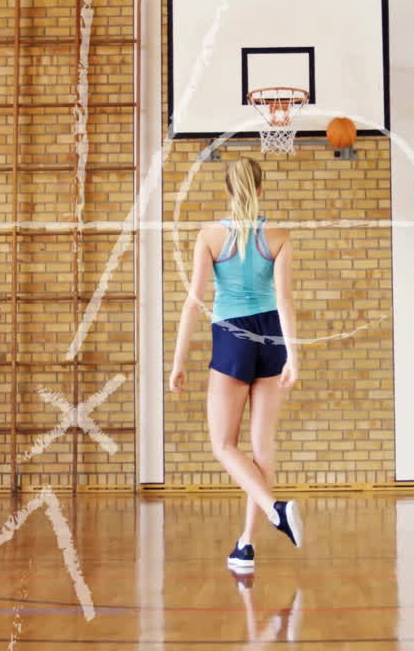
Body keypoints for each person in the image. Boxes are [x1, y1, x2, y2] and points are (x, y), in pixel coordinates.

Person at [169, 156, 303, 570]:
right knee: (261, 449)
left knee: (224, 445)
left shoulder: (209, 235)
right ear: (261, 190)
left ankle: (273, 512)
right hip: (271, 337)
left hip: (232, 336)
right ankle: (246, 544)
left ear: (227, 191)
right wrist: (294, 354)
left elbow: (194, 300)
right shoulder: (279, 236)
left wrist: (177, 360)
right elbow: (283, 301)